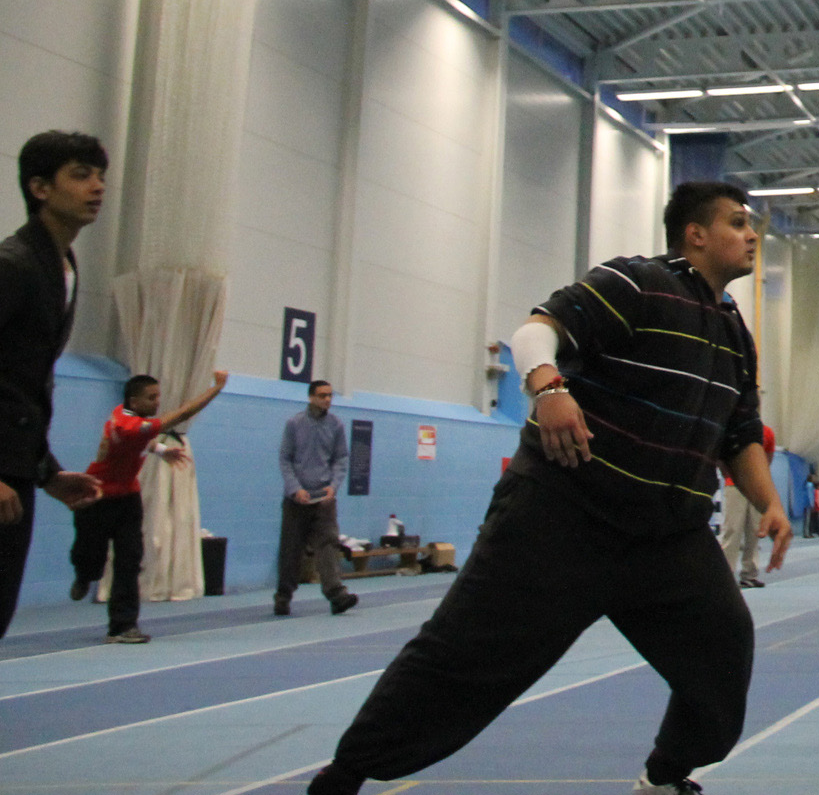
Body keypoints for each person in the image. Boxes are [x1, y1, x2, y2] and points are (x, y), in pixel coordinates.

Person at [305, 180, 790, 795]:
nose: (752, 236)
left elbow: (740, 433)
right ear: (695, 234)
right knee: (462, 661)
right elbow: (535, 332)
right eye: (738, 223)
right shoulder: (637, 283)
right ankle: (345, 776)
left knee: (723, 652)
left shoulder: (734, 336)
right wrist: (549, 388)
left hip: (665, 537)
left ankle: (665, 778)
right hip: (561, 521)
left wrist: (769, 501)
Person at [1, 131, 107, 638]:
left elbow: (20, 389)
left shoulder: (62, 266)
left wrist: (47, 473)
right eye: (81, 175)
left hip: (18, 472)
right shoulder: (14, 265)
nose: (98, 186)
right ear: (40, 188)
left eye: (100, 175)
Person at [72, 369, 228, 643]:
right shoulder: (124, 423)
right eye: (151, 398)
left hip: (128, 498)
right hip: (97, 497)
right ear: (134, 401)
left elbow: (140, 442)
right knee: (90, 557)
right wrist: (216, 388)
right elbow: (179, 416)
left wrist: (161, 451)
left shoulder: (129, 416)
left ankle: (122, 626)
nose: (157, 402)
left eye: (158, 396)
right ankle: (85, 575)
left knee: (129, 560)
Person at [276, 379, 359, 619]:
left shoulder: (336, 426)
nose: (327, 400)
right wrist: (295, 489)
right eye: (322, 395)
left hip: (324, 499)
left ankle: (336, 594)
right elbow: (285, 458)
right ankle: (283, 596)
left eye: (330, 395)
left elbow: (341, 459)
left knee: (328, 545)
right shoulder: (294, 424)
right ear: (311, 397)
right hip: (296, 500)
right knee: (291, 550)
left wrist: (333, 487)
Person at [719, 423, 778, 588]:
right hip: (734, 485)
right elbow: (721, 455)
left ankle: (749, 574)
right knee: (732, 529)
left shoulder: (768, 432)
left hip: (756, 487)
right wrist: (728, 473)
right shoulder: (734, 430)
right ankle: (727, 575)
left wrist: (761, 479)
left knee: (755, 530)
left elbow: (768, 458)